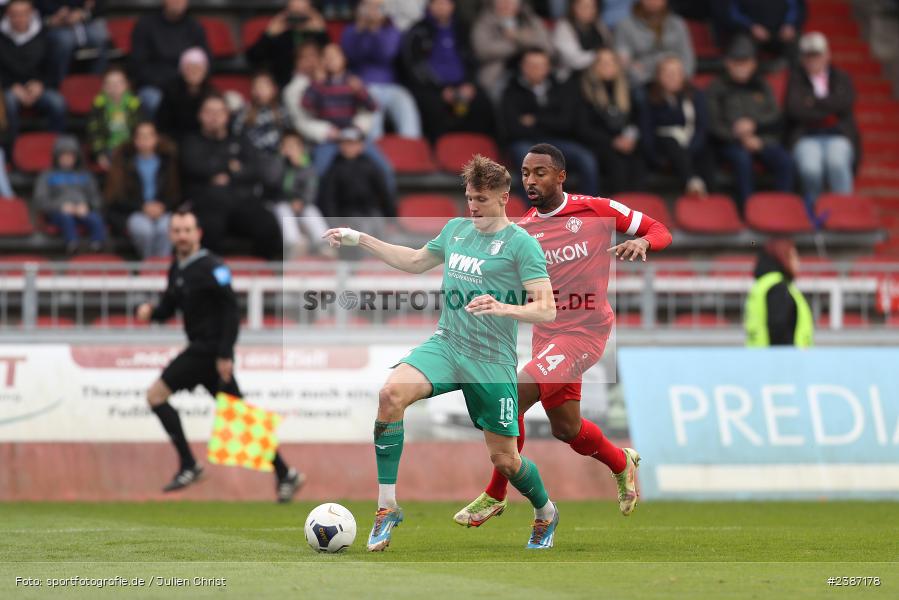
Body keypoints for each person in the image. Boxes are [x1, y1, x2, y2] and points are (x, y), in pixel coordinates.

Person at [323, 154, 561, 551]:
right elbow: (416, 261)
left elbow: (547, 308)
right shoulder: (456, 230)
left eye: (481, 199)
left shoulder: (523, 245)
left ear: (504, 198)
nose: (473, 207)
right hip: (447, 345)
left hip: (491, 360)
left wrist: (504, 307)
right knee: (390, 395)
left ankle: (546, 512)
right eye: (469, 198)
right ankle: (387, 507)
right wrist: (360, 238)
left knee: (505, 461)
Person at [454, 142, 671, 527]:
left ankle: (495, 494)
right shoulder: (523, 230)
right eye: (525, 173)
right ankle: (621, 462)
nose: (531, 180)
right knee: (567, 429)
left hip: (584, 333)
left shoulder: (596, 210)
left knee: (513, 395)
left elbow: (660, 229)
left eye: (540, 173)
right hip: (547, 335)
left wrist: (642, 241)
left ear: (560, 176)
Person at [135, 207, 305, 501]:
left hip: (208, 351)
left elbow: (231, 312)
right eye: (177, 231)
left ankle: (189, 464)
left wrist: (225, 354)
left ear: (198, 234)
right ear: (170, 235)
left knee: (155, 396)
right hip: (206, 354)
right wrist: (151, 312)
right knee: (239, 418)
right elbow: (168, 307)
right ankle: (285, 473)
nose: (182, 236)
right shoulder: (178, 268)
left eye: (187, 230)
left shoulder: (213, 266)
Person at [180, 94, 283, 260]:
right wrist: (230, 166)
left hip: (240, 201)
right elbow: (194, 167)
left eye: (219, 112)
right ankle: (209, 271)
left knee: (268, 223)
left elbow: (255, 170)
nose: (214, 117)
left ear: (227, 115)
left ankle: (261, 270)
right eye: (209, 112)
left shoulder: (240, 140)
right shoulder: (192, 141)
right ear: (200, 115)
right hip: (206, 204)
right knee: (209, 226)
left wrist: (225, 172)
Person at [707, 36, 793, 211]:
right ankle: (748, 210)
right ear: (728, 63)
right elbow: (713, 124)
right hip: (728, 142)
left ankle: (782, 209)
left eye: (745, 62)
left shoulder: (761, 85)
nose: (741, 67)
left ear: (753, 64)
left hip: (761, 139)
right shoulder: (716, 87)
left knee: (785, 161)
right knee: (742, 160)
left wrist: (755, 127)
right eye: (736, 62)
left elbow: (775, 116)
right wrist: (740, 138)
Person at [301, 43, 396, 197]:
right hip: (330, 139)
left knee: (384, 169)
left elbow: (373, 106)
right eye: (327, 57)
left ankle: (390, 208)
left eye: (335, 56)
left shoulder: (353, 82)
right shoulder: (319, 84)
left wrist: (360, 90)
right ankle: (318, 209)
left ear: (343, 59)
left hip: (353, 136)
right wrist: (316, 81)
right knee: (318, 172)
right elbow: (306, 104)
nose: (331, 60)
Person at [501, 49, 600, 196]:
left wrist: (535, 120)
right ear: (522, 67)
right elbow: (513, 129)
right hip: (525, 142)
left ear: (548, 68)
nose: (536, 69)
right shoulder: (511, 91)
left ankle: (588, 206)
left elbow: (566, 123)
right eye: (531, 65)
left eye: (540, 65)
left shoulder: (559, 89)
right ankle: (532, 208)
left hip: (556, 141)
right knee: (528, 160)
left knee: (586, 158)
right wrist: (550, 122)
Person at [401, 0, 495, 141]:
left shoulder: (462, 29)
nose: (442, 7)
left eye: (446, 3)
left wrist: (470, 84)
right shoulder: (417, 31)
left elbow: (472, 59)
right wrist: (440, 89)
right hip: (432, 88)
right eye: (438, 3)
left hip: (462, 85)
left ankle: (479, 148)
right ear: (430, 6)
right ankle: (437, 148)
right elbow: (415, 66)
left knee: (483, 104)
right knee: (433, 107)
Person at [786, 32, 859, 209]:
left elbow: (844, 103)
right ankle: (815, 212)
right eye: (808, 56)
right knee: (811, 169)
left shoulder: (841, 77)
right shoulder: (796, 79)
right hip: (806, 136)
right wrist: (828, 110)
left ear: (827, 55)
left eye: (817, 55)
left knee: (837, 163)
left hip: (838, 135)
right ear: (802, 59)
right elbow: (795, 110)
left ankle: (844, 210)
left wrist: (814, 102)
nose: (813, 60)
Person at [341, 0, 423, 139]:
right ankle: (375, 148)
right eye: (368, 6)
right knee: (372, 112)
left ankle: (412, 146)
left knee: (405, 102)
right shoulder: (351, 30)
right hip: (364, 85)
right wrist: (360, 31)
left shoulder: (391, 30)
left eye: (378, 7)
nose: (372, 11)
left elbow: (386, 54)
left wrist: (375, 29)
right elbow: (350, 56)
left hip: (390, 85)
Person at [639, 55, 714, 196]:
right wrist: (656, 158)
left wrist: (689, 151)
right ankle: (691, 181)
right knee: (670, 140)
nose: (672, 77)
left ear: (683, 76)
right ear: (658, 77)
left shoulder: (695, 95)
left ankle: (712, 198)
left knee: (708, 153)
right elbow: (646, 131)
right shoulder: (649, 98)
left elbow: (702, 126)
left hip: (691, 146)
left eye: (676, 73)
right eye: (667, 73)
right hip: (663, 147)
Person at [104, 121, 179, 259]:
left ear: (156, 138)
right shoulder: (123, 164)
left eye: (149, 136)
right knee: (144, 230)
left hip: (163, 211)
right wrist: (142, 207)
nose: (145, 140)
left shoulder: (168, 162)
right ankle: (148, 264)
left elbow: (175, 193)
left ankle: (162, 265)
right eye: (141, 136)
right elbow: (117, 197)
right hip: (134, 212)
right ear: (135, 140)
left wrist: (163, 206)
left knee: (166, 228)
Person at [576, 48, 645, 196]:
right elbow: (583, 128)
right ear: (594, 67)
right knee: (616, 163)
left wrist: (630, 139)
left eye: (611, 62)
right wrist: (612, 141)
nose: (607, 66)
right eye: (602, 62)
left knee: (639, 159)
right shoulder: (585, 91)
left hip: (624, 142)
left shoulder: (625, 89)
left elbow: (635, 120)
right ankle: (618, 204)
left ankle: (637, 204)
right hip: (599, 144)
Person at [0, 0, 67, 144]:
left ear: (31, 13)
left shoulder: (45, 35)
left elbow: (52, 68)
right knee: (8, 103)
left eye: (23, 14)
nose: (19, 18)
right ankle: (12, 148)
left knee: (58, 103)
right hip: (10, 88)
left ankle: (56, 146)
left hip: (38, 86)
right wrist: (10, 86)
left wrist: (41, 84)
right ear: (7, 15)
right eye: (15, 14)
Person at [130, 0, 209, 118]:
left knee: (213, 104)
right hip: (156, 86)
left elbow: (206, 61)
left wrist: (191, 80)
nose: (178, 2)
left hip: (188, 86)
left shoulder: (195, 26)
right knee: (155, 101)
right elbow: (138, 66)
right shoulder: (145, 25)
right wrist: (171, 84)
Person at [259, 130, 330, 258]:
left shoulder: (307, 165)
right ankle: (294, 243)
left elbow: (311, 188)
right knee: (284, 211)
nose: (290, 149)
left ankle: (324, 243)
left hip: (301, 202)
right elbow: (270, 181)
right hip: (278, 202)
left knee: (311, 211)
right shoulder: (275, 161)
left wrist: (302, 201)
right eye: (287, 145)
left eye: (293, 145)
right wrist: (280, 160)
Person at [33, 135, 106, 254]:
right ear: (57, 156)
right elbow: (40, 200)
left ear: (77, 156)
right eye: (64, 154)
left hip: (83, 211)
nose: (67, 158)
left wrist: (87, 206)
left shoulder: (86, 175)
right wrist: (60, 206)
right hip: (58, 213)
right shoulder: (46, 175)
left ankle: (97, 247)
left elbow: (97, 199)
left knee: (96, 219)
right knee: (66, 218)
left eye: (71, 155)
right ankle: (72, 245)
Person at [317, 127, 394, 234]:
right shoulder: (334, 169)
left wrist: (390, 218)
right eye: (345, 143)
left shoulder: (370, 166)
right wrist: (335, 223)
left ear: (361, 146)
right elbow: (329, 199)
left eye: (353, 143)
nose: (349, 147)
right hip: (347, 215)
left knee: (379, 226)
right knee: (363, 230)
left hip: (371, 211)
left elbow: (383, 193)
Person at [470, 0, 553, 100]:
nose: (506, 3)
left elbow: (546, 44)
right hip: (498, 73)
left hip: (532, 71)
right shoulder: (485, 21)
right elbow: (482, 50)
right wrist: (518, 45)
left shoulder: (529, 18)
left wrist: (516, 35)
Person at [745, 237, 813, 347]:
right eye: (794, 256)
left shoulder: (763, 284)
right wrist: (784, 356)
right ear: (784, 257)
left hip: (761, 354)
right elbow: (778, 328)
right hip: (779, 356)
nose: (798, 262)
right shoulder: (777, 287)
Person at [246, 0, 329, 88]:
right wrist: (269, 34)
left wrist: (321, 32)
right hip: (283, 83)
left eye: (302, 13)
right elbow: (253, 58)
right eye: (294, 13)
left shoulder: (316, 35)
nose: (298, 19)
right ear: (287, 11)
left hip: (316, 85)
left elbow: (330, 57)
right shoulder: (279, 34)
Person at [614, 0, 695, 88]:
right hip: (643, 83)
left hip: (677, 81)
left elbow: (687, 56)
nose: (653, 1)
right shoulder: (625, 26)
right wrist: (639, 75)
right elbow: (623, 60)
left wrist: (682, 77)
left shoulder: (677, 24)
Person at [36, 0, 109, 87]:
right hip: (54, 24)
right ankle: (60, 84)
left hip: (83, 21)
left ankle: (95, 82)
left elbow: (98, 6)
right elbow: (36, 13)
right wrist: (51, 20)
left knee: (100, 36)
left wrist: (83, 13)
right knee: (65, 40)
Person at [86, 66, 142, 171]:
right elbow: (94, 132)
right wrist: (100, 154)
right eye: (110, 84)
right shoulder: (98, 105)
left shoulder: (134, 103)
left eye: (118, 83)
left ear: (126, 85)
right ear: (103, 87)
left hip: (130, 147)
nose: (114, 87)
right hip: (108, 148)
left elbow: (140, 129)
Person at [156, 47, 216, 142]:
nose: (194, 72)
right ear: (182, 70)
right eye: (189, 68)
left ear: (205, 71)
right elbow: (162, 124)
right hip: (176, 140)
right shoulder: (171, 92)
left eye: (198, 68)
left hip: (206, 142)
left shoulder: (212, 93)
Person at [725, 0, 805, 65]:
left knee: (801, 48)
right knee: (742, 48)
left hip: (782, 32)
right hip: (750, 33)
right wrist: (751, 26)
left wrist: (790, 24)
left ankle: (798, 78)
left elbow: (796, 7)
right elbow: (733, 13)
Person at [232, 71, 291, 156]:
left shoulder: (282, 111)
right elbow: (236, 137)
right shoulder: (244, 112)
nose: (261, 90)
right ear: (252, 91)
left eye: (265, 86)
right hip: (252, 157)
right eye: (257, 87)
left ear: (274, 89)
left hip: (278, 157)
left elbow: (290, 137)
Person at [552, 0, 612, 80]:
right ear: (573, 8)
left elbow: (608, 48)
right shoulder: (564, 27)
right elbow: (574, 61)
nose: (589, 10)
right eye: (585, 6)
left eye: (592, 7)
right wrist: (598, 56)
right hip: (572, 77)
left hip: (598, 76)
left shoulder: (599, 26)